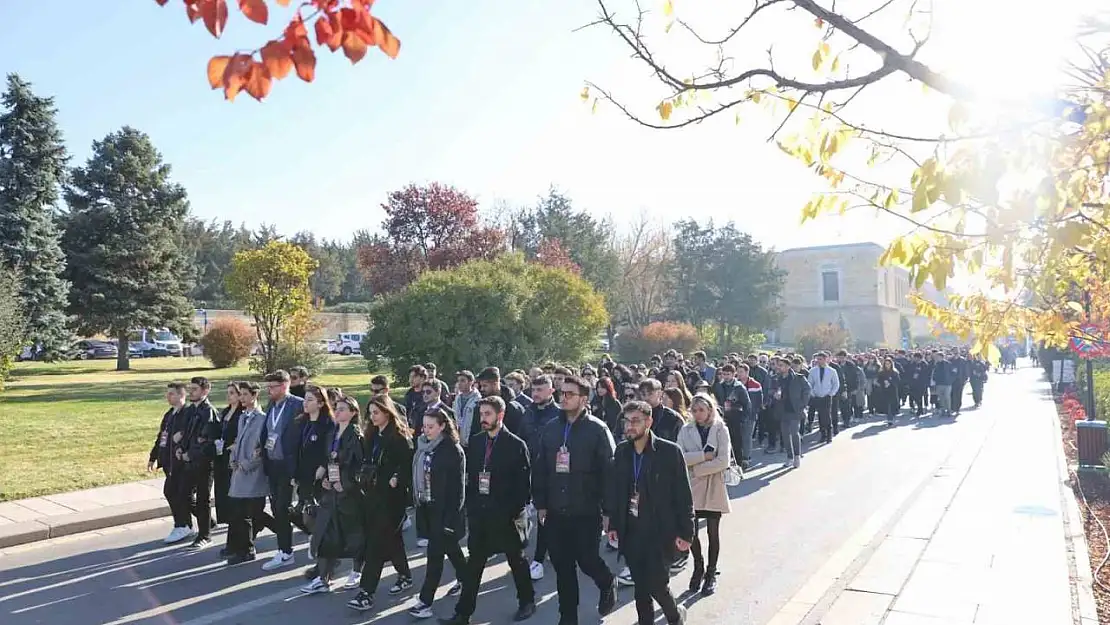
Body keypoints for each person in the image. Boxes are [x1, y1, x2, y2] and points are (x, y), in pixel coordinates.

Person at [440, 396, 536, 625]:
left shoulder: (515, 445)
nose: (482, 419)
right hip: (481, 517)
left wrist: (510, 512)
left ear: (499, 416)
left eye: (487, 414)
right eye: (481, 414)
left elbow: (523, 487)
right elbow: (471, 480)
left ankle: (527, 601)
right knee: (474, 566)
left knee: (517, 561)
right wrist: (472, 509)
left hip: (507, 518)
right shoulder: (476, 442)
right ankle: (463, 613)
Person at [533, 375, 617, 625]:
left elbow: (609, 473)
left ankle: (607, 582)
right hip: (556, 511)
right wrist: (541, 503)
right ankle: (567, 617)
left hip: (586, 510)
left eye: (570, 394)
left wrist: (608, 511)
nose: (564, 397)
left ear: (584, 398)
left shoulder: (597, 429)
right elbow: (540, 468)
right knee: (563, 566)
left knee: (587, 560)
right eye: (562, 393)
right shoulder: (551, 428)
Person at [605, 400, 693, 625]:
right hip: (631, 530)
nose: (630, 426)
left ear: (649, 422)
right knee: (640, 588)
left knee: (657, 584)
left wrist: (686, 533)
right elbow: (616, 491)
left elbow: (683, 496)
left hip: (660, 531)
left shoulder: (669, 452)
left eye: (636, 421)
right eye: (627, 421)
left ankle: (675, 617)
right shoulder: (623, 451)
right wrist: (613, 524)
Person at [348, 396, 415, 612]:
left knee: (376, 545)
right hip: (372, 495)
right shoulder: (371, 435)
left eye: (376, 412)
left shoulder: (398, 437)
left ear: (388, 412)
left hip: (392, 499)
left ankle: (366, 592)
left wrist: (397, 478)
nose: (372, 416)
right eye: (370, 413)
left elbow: (408, 465)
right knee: (392, 539)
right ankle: (405, 575)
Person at [301, 394, 366, 595]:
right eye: (336, 408)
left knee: (354, 534)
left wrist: (345, 484)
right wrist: (327, 478)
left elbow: (361, 468)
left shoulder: (356, 436)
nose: (337, 412)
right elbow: (330, 460)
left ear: (353, 413)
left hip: (349, 495)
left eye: (343, 409)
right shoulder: (332, 433)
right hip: (331, 493)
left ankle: (357, 571)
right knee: (324, 533)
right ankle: (323, 578)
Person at [408, 407, 468, 619]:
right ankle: (467, 579)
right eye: (424, 426)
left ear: (443, 426)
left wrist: (451, 520)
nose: (426, 431)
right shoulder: (423, 446)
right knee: (452, 550)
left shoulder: (452, 451)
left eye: (431, 426)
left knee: (434, 557)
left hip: (445, 512)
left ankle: (425, 601)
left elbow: (458, 490)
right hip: (427, 508)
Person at [676, 393, 731, 596]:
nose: (698, 414)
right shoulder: (686, 429)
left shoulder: (720, 429)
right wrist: (703, 456)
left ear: (710, 409)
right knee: (692, 532)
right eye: (695, 410)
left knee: (713, 533)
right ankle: (698, 567)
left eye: (702, 410)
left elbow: (723, 461)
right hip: (690, 487)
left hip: (713, 485)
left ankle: (710, 572)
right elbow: (679, 455)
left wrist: (697, 468)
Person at [259, 370, 305, 571]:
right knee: (278, 508)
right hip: (273, 464)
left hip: (289, 465)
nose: (269, 390)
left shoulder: (297, 404)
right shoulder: (272, 405)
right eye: (268, 387)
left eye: (273, 387)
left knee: (283, 509)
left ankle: (286, 551)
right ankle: (287, 548)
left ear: (285, 385)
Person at [225, 381, 275, 565]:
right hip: (239, 470)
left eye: (246, 394)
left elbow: (261, 449)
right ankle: (239, 547)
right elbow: (239, 442)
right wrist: (233, 459)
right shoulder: (243, 417)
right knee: (238, 513)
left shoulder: (262, 419)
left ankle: (247, 549)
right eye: (241, 394)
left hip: (252, 473)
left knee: (246, 514)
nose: (242, 398)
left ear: (254, 396)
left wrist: (246, 464)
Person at [294, 386, 338, 584]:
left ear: (321, 403)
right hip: (305, 479)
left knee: (322, 524)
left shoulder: (327, 424)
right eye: (305, 399)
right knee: (309, 519)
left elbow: (330, 452)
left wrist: (323, 467)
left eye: (310, 400)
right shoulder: (302, 422)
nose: (305, 403)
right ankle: (325, 559)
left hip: (321, 480)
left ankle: (325, 567)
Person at [149, 382, 193, 544]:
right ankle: (206, 523)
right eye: (167, 394)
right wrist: (153, 457)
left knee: (173, 492)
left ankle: (183, 525)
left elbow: (189, 435)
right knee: (179, 495)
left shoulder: (187, 414)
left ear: (182, 395)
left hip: (180, 463)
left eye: (172, 394)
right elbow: (161, 437)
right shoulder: (169, 415)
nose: (168, 397)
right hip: (168, 462)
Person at [181, 376, 221, 549]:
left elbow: (206, 441)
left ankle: (205, 535)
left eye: (195, 389)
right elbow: (185, 433)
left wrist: (190, 454)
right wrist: (181, 449)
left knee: (203, 499)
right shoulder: (190, 410)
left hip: (204, 463)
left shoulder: (208, 412)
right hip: (189, 461)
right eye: (190, 389)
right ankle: (208, 522)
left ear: (205, 391)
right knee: (183, 494)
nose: (191, 392)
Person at [213, 382, 243, 547]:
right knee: (224, 496)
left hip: (234, 459)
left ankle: (235, 542)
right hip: (221, 457)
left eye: (232, 393)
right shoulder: (225, 412)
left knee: (234, 502)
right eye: (228, 392)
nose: (229, 395)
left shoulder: (241, 414)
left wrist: (235, 445)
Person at [774, 357, 811, 469]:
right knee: (785, 435)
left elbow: (807, 390)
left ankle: (796, 456)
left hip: (795, 410)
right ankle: (789, 457)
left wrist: (802, 404)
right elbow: (772, 390)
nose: (779, 367)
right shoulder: (777, 378)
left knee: (794, 433)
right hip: (782, 410)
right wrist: (774, 395)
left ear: (788, 366)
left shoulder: (798, 378)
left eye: (782, 365)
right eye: (779, 365)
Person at [806, 352, 840, 444]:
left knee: (826, 416)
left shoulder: (832, 371)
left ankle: (829, 434)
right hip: (817, 396)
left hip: (827, 396)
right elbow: (809, 384)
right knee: (820, 416)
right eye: (817, 359)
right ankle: (823, 434)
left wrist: (831, 394)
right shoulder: (813, 371)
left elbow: (836, 384)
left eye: (820, 359)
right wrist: (813, 393)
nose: (818, 361)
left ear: (825, 359)